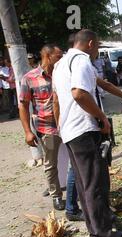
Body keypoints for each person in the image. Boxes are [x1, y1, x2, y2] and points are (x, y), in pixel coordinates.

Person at [52, 29, 122, 237]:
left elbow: (56, 99)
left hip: (70, 131)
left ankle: (98, 225)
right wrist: (101, 117)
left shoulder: (61, 64)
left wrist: (60, 126)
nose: (98, 50)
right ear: (91, 43)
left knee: (86, 184)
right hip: (84, 129)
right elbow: (79, 93)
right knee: (94, 182)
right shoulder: (82, 60)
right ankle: (101, 235)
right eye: (99, 45)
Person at [18, 44, 65, 211]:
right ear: (47, 56)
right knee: (51, 164)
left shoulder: (63, 74)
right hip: (47, 129)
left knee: (75, 161)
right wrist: (27, 132)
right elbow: (23, 106)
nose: (62, 59)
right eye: (58, 56)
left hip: (68, 125)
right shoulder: (29, 78)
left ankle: (77, 192)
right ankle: (56, 196)